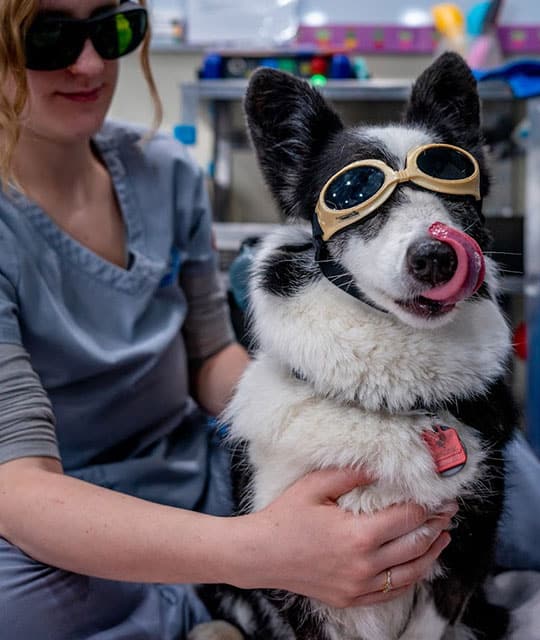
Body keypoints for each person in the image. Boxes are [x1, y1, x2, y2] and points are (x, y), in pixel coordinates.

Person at [0, 1, 529, 639]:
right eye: (49, 37)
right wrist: (262, 550)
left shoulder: (164, 171)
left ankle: (211, 597)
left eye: (113, 28)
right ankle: (215, 597)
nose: (89, 64)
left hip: (194, 461)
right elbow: (17, 487)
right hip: (66, 499)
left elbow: (210, 357)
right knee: (18, 608)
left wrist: (352, 412)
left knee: (515, 489)